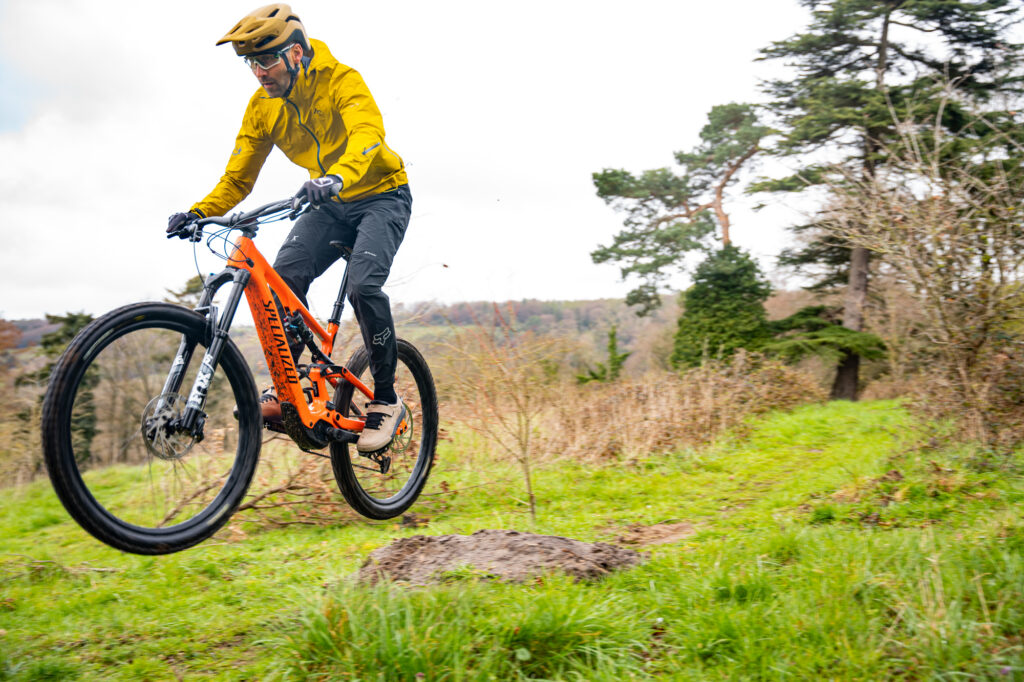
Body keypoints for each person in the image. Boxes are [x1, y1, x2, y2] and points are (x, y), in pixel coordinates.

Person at [166, 3, 410, 454]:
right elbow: (238, 178)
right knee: (282, 281)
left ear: (296, 53)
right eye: (250, 63)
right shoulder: (262, 108)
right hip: (329, 203)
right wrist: (199, 212)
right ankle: (291, 386)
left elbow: (367, 135)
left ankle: (386, 399)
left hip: (381, 196)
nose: (259, 72)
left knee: (363, 286)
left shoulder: (342, 81)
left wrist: (337, 177)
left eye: (266, 60)